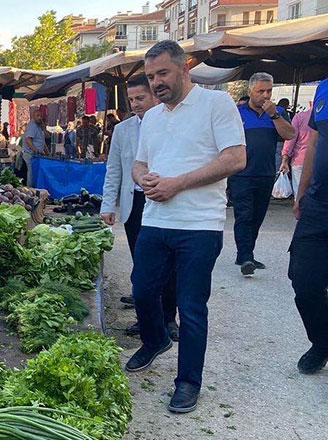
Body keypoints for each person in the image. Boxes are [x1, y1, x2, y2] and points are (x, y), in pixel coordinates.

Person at [126, 40, 246, 413]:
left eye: (162, 73)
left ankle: (188, 382)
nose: (156, 82)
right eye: (150, 76)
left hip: (199, 225)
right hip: (155, 220)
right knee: (143, 292)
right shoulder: (154, 117)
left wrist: (178, 183)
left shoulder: (217, 104)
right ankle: (155, 339)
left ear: (183, 69)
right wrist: (144, 179)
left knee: (192, 306)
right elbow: (140, 163)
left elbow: (235, 158)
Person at [102, 73, 179, 341]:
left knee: (168, 265)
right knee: (142, 265)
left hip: (164, 200)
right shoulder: (123, 130)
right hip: (134, 203)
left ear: (155, 96)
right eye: (131, 99)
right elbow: (114, 170)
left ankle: (169, 319)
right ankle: (146, 319)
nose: (135, 104)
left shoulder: (172, 123)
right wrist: (108, 204)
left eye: (141, 98)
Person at [230, 72, 296, 276]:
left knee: (257, 216)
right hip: (241, 174)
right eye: (261, 91)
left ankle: (245, 255)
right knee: (244, 215)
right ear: (250, 91)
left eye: (269, 91)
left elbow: (289, 134)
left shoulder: (278, 113)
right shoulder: (237, 112)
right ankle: (246, 256)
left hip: (265, 173)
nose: (266, 96)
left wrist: (274, 115)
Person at [288, 77, 328, 374]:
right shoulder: (324, 87)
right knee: (303, 280)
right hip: (318, 204)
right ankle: (322, 341)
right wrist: (301, 192)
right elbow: (314, 142)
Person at [280, 104, 313, 196]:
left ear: (310, 103)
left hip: (300, 160)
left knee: (300, 194)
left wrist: (284, 159)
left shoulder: (300, 117)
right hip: (321, 161)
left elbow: (291, 138)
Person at [21, 106, 46, 186]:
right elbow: (28, 140)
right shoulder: (32, 126)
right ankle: (30, 190)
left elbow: (43, 139)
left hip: (35, 155)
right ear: (33, 116)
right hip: (30, 155)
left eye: (41, 116)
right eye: (37, 116)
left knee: (34, 174)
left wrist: (44, 127)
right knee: (31, 174)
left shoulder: (38, 126)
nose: (40, 118)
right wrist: (37, 150)